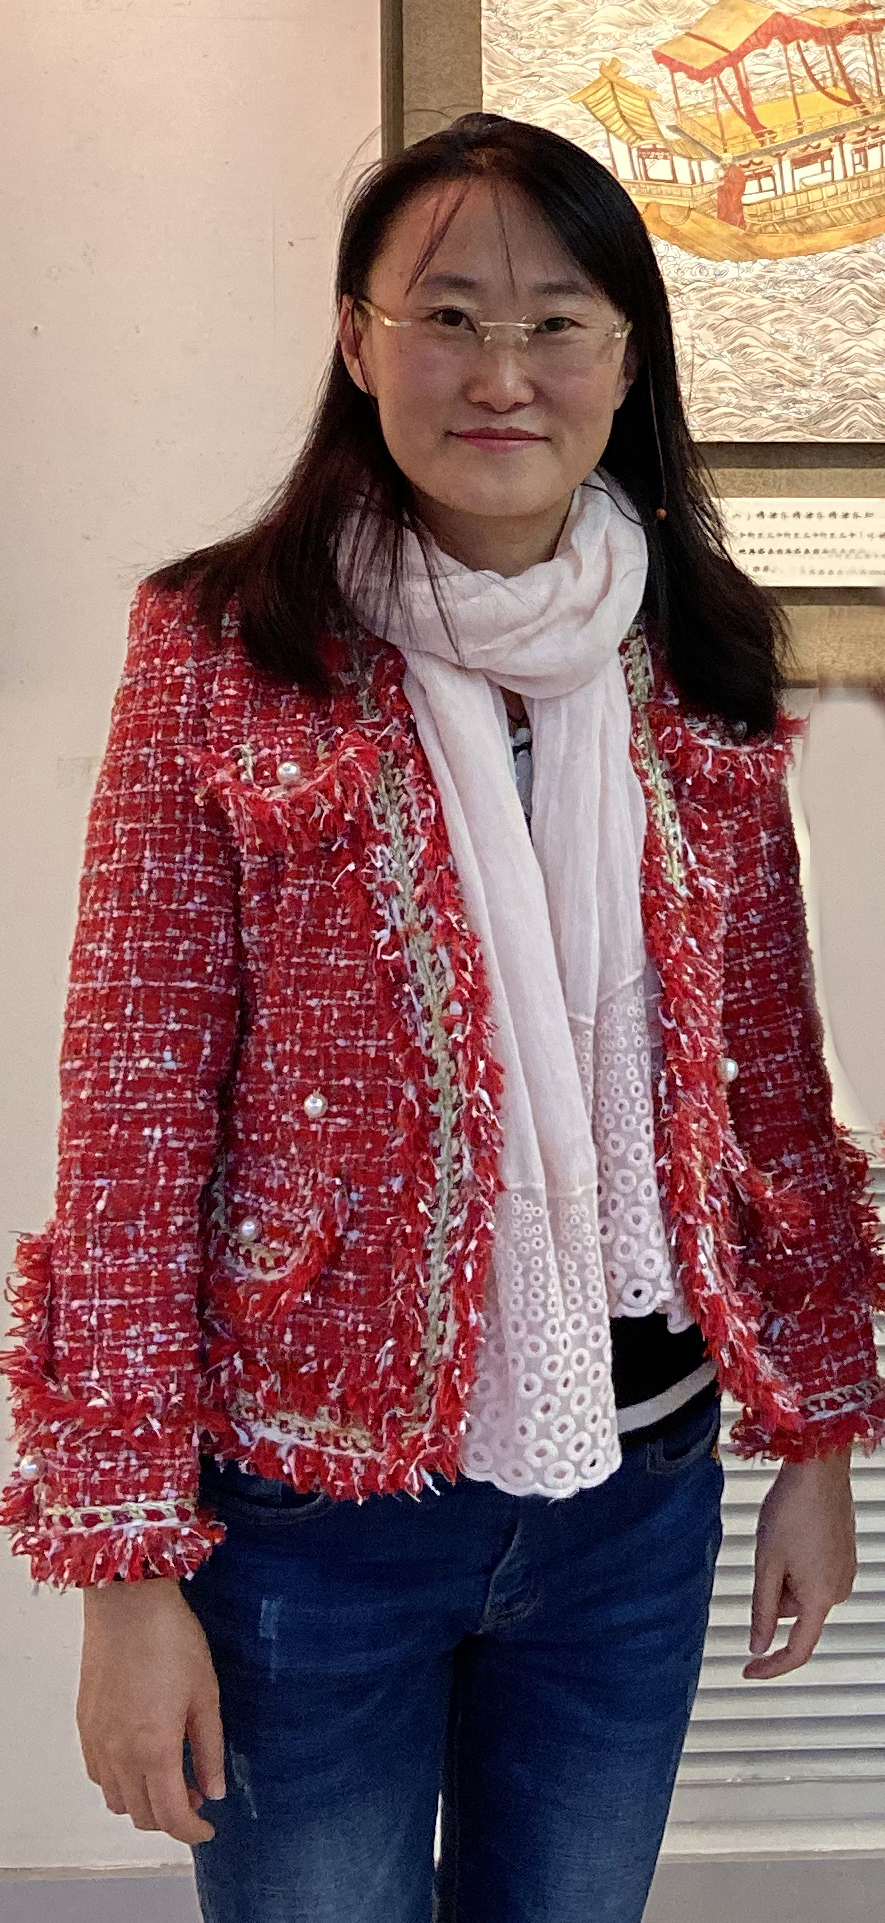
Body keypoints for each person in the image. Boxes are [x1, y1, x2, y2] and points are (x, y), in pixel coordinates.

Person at [3, 113, 884, 1923]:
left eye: (557, 323)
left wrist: (814, 1441)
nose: (503, 374)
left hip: (637, 1494)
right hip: (307, 1513)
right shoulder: (221, 644)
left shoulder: (700, 647)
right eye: (450, 316)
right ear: (357, 340)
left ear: (626, 359)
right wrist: (124, 1568)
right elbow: (134, 1116)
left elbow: (772, 1084)